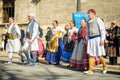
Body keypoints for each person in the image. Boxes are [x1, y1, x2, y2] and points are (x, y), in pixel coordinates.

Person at [84, 9, 107, 74]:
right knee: (91, 55)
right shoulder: (88, 21)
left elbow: (102, 30)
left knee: (99, 55)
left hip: (97, 38)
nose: (88, 15)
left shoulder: (98, 20)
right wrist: (87, 40)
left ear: (93, 13)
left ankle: (104, 66)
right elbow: (87, 32)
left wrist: (102, 39)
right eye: (88, 13)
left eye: (89, 13)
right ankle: (90, 70)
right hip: (91, 40)